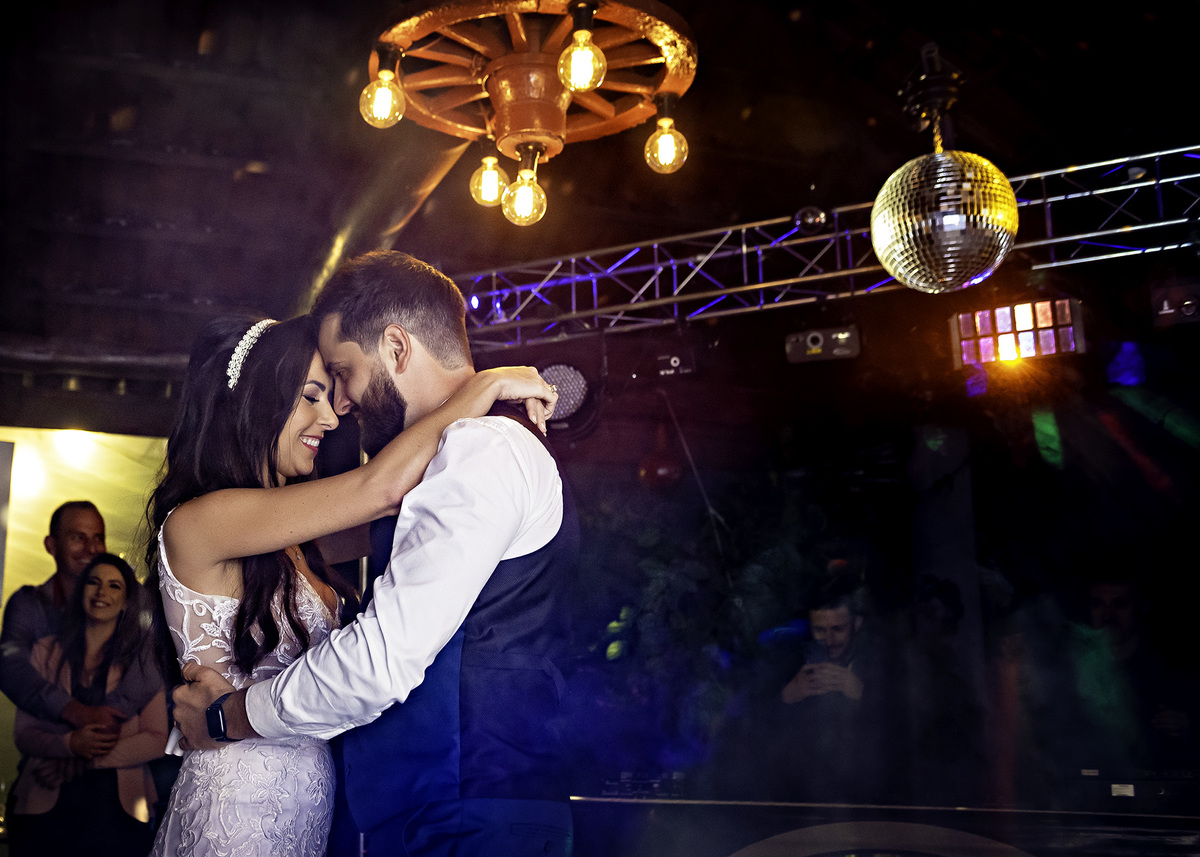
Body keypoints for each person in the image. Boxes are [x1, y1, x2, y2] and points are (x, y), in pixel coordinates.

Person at [172, 250, 580, 857]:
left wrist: (228, 716)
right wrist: (483, 385)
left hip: (473, 812)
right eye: (313, 393)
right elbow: (376, 492)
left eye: (341, 374)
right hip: (406, 813)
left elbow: (380, 659)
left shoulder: (482, 451)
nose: (338, 408)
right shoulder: (224, 523)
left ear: (396, 347)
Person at [7, 553, 168, 857]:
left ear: (127, 601)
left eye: (114, 585)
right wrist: (69, 744)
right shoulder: (44, 651)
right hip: (42, 805)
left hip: (120, 811)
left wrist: (85, 758)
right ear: (80, 590)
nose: (101, 592)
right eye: (93, 582)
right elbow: (24, 734)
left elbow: (156, 739)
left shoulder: (143, 662)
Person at [1, 501, 157, 733]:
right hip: (48, 744)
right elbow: (11, 666)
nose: (91, 549)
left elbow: (153, 657)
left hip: (125, 739)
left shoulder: (133, 596)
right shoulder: (29, 604)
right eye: (78, 538)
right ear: (51, 545)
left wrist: (109, 715)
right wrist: (72, 711)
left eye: (98, 538)